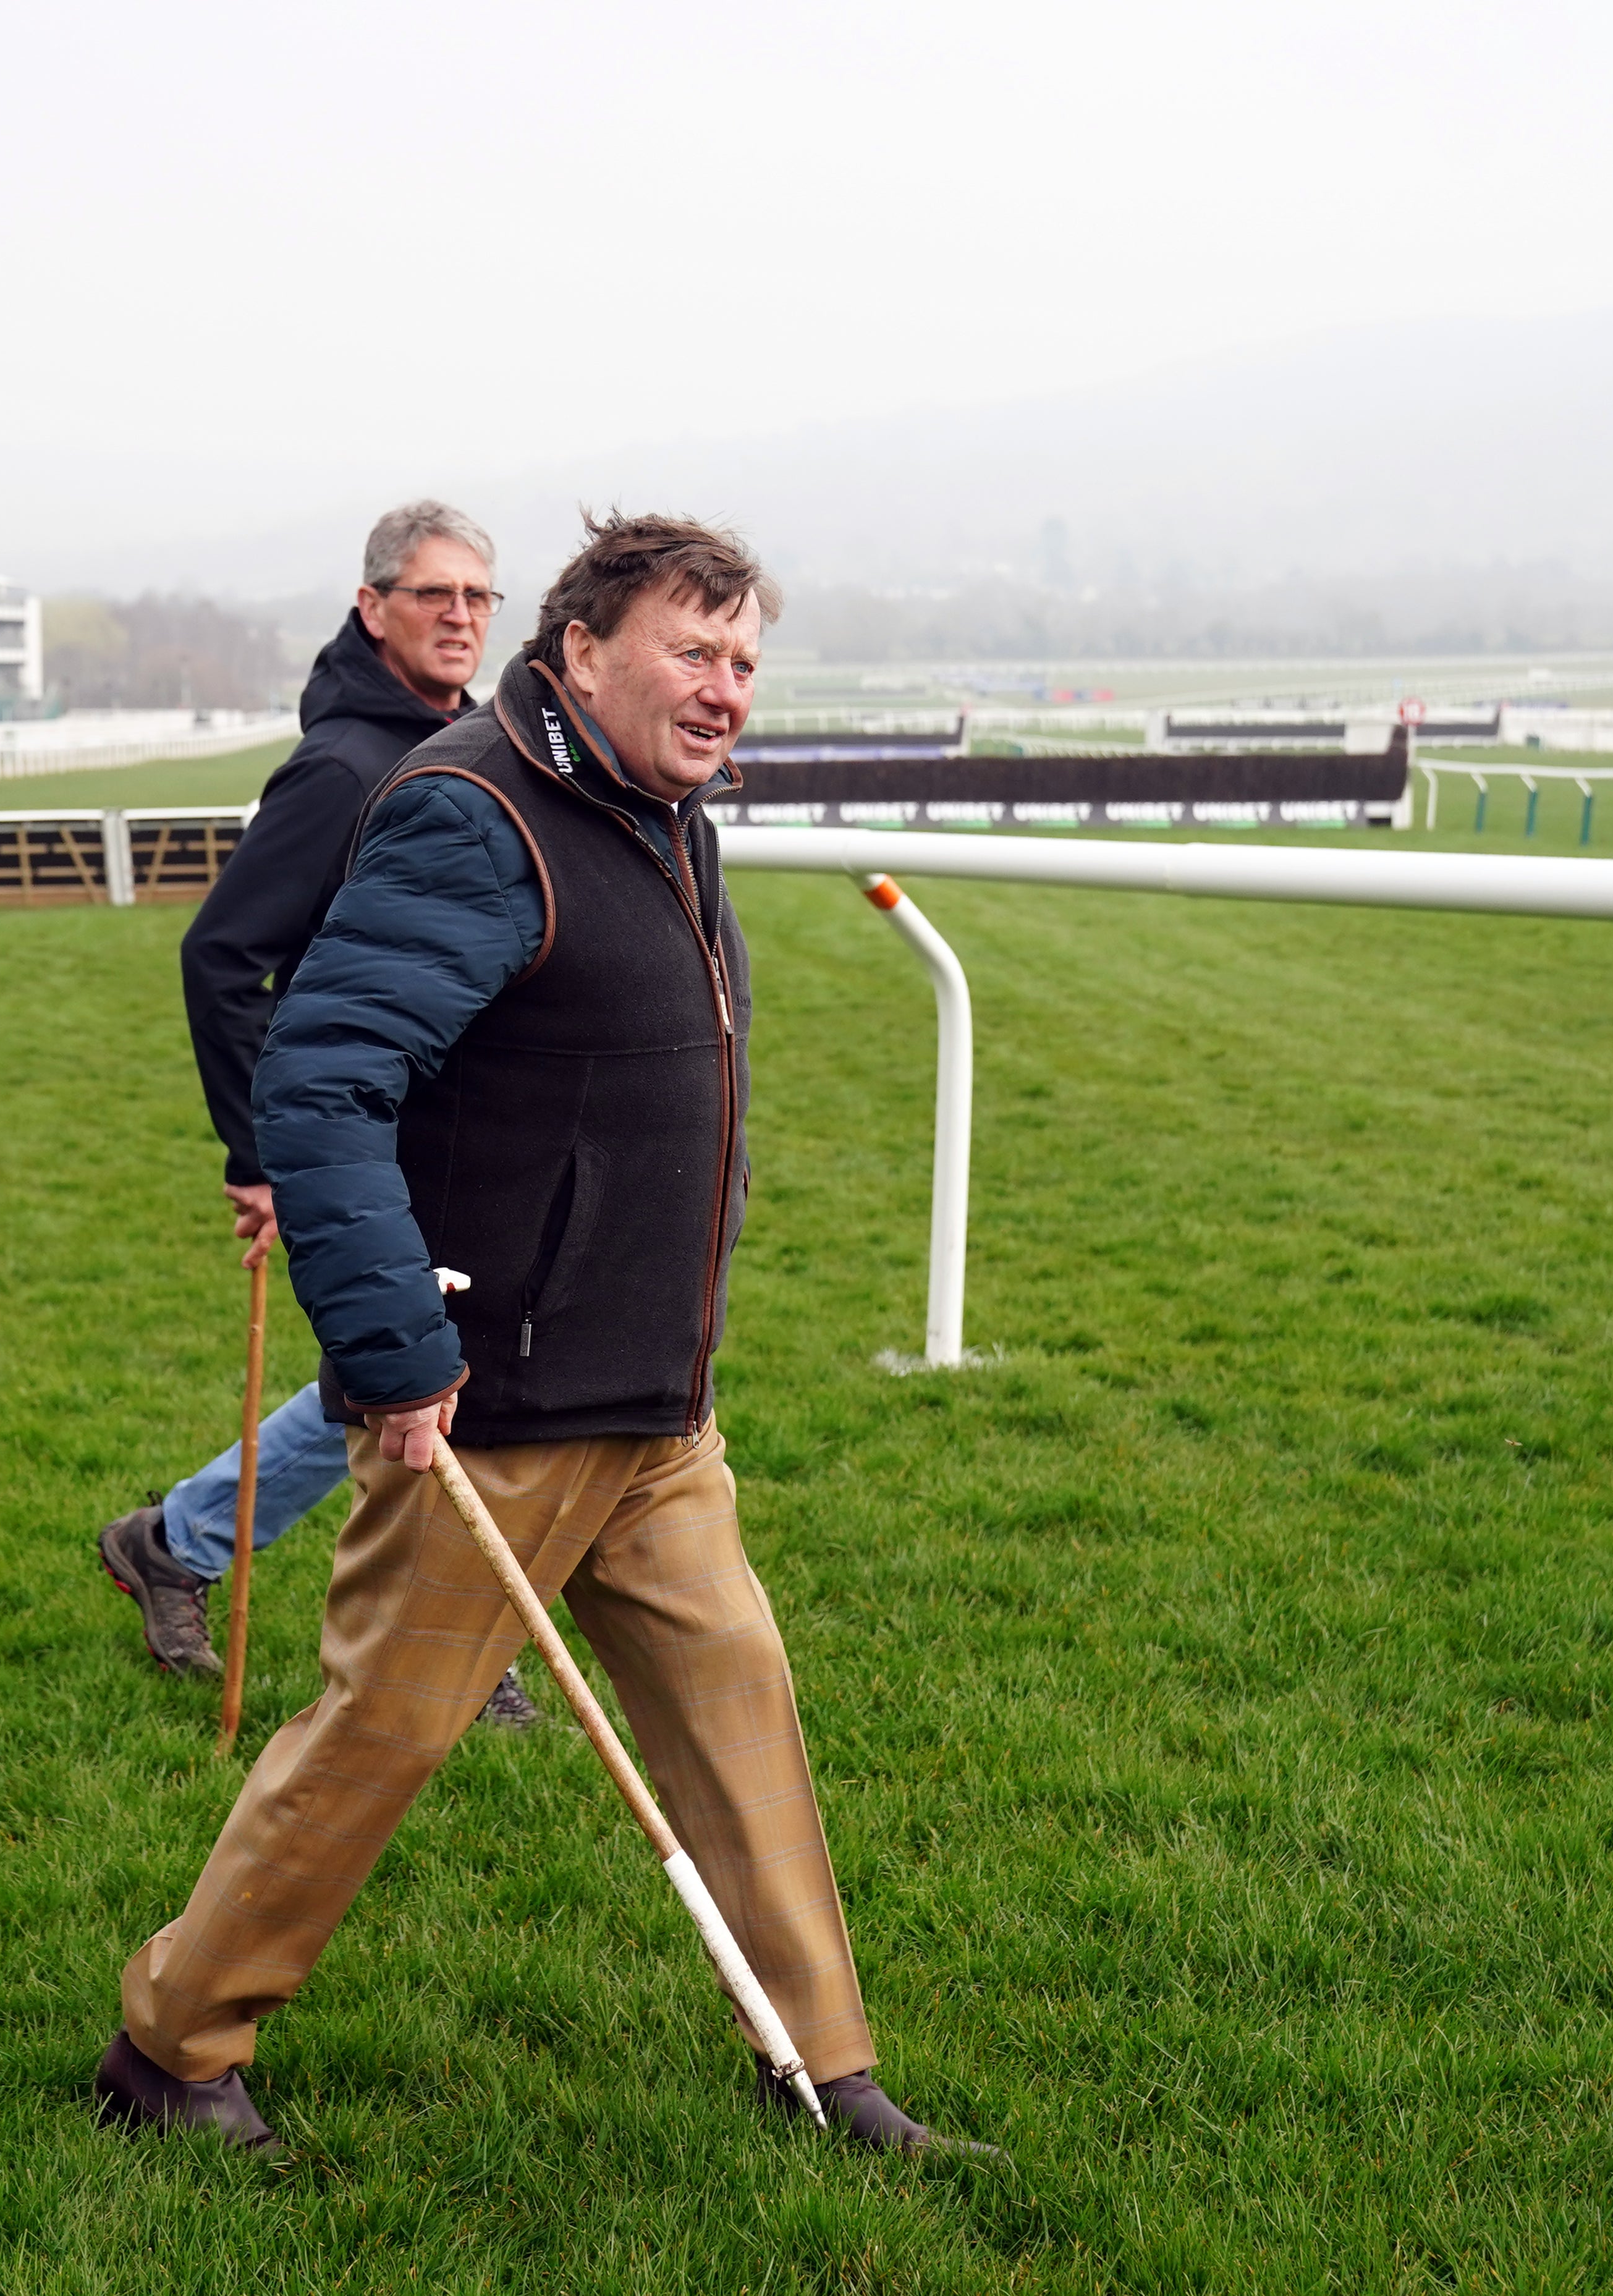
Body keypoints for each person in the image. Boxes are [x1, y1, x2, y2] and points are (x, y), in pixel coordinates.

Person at [92, 515, 992, 2159]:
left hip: (654, 1405)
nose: (723, 691)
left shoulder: (655, 809)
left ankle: (824, 2065)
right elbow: (322, 1077)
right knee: (377, 1740)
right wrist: (390, 1351)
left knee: (739, 1717)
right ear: (580, 649)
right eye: (690, 652)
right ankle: (167, 2046)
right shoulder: (473, 812)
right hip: (492, 1405)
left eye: (742, 663)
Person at [95, 502, 539, 1732]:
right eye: (432, 595)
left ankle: (174, 1541)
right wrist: (262, 1154)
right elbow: (223, 953)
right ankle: (461, 1656)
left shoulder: (457, 738)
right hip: (367, 1128)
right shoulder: (346, 766)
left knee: (384, 1374)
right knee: (430, 1373)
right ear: (373, 606)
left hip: (450, 1118)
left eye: (477, 599)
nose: (458, 618)